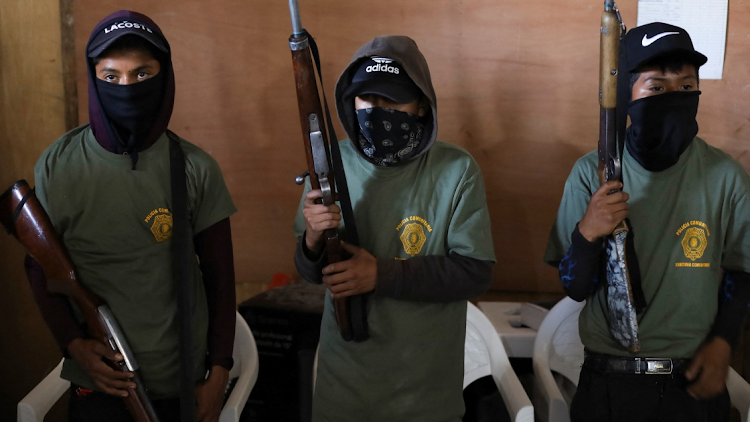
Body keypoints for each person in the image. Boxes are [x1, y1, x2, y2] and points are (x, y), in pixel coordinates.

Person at [26, 10, 237, 422]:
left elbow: (221, 279)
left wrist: (219, 376)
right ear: (94, 78)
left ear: (164, 75)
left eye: (142, 75)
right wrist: (74, 344)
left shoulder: (195, 167)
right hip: (97, 382)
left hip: (182, 384)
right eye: (111, 77)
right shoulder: (58, 164)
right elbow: (39, 267)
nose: (127, 88)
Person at [544, 22, 750, 422]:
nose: (675, 97)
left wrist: (724, 342)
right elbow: (574, 285)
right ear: (626, 96)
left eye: (687, 87)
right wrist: (589, 231)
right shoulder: (592, 172)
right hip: (608, 384)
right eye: (656, 88)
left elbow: (744, 270)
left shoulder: (726, 176)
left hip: (691, 384)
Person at [293, 35, 496, 421]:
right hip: (342, 393)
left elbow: (474, 273)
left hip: (426, 397)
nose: (377, 110)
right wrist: (313, 236)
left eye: (392, 99)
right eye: (367, 99)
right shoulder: (328, 164)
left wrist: (380, 274)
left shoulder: (457, 170)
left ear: (421, 105)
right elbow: (310, 272)